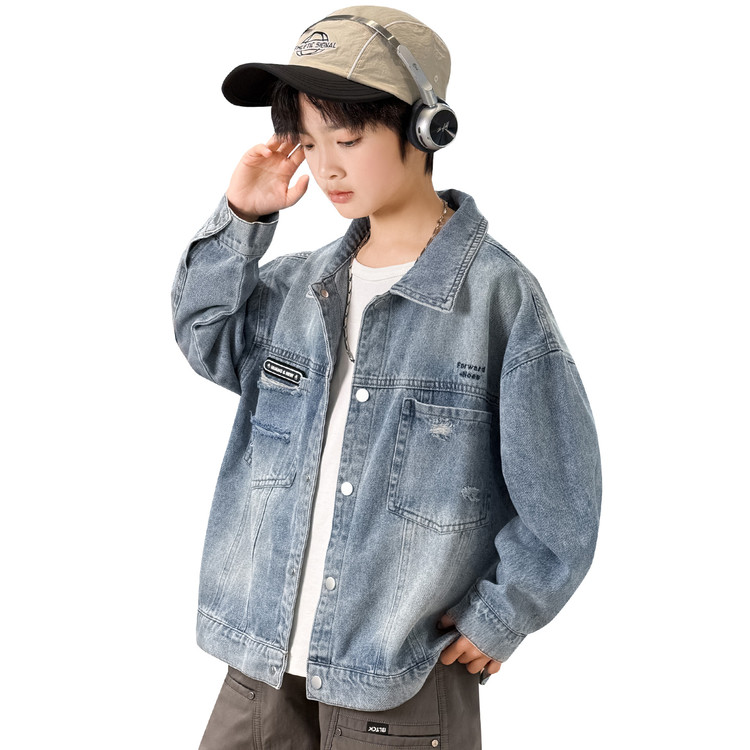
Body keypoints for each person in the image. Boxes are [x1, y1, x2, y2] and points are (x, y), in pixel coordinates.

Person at [171, 6, 602, 748]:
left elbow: (563, 497)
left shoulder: (496, 300)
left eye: (348, 139)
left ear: (426, 129)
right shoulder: (295, 288)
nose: (326, 168)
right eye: (309, 143)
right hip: (258, 664)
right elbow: (205, 334)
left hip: (399, 681)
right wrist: (242, 216)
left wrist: (505, 614)